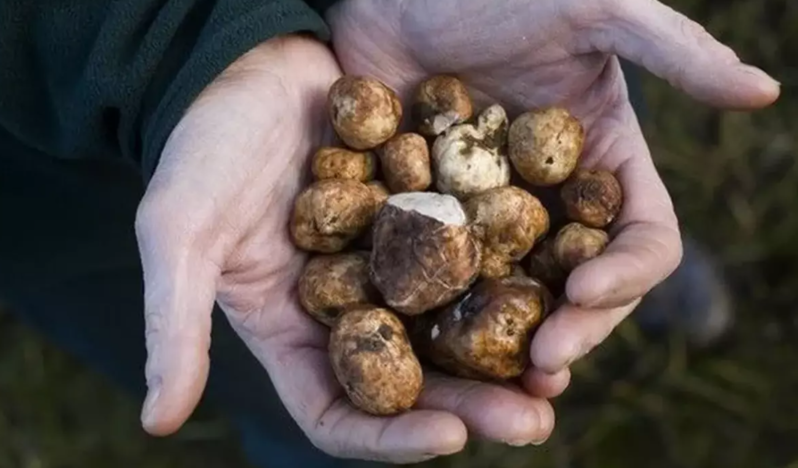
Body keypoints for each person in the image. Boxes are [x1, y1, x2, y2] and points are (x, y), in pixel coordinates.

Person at [0, 0, 779, 466]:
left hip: (482, 37)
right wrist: (175, 50)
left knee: (591, 125)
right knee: (279, 374)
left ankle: (607, 272)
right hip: (75, 150)